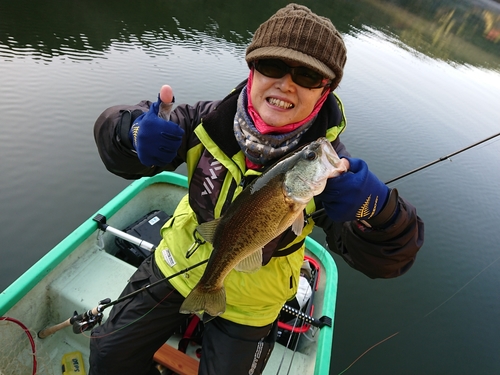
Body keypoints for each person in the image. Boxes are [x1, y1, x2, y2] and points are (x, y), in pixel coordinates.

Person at [91, 3, 424, 375]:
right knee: (108, 355)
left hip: (255, 304)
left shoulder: (334, 177)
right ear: (252, 70)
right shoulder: (202, 122)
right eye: (272, 66)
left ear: (324, 91)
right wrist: (132, 133)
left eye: (308, 75)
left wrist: (376, 211)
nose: (286, 83)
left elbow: (392, 257)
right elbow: (115, 137)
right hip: (176, 263)